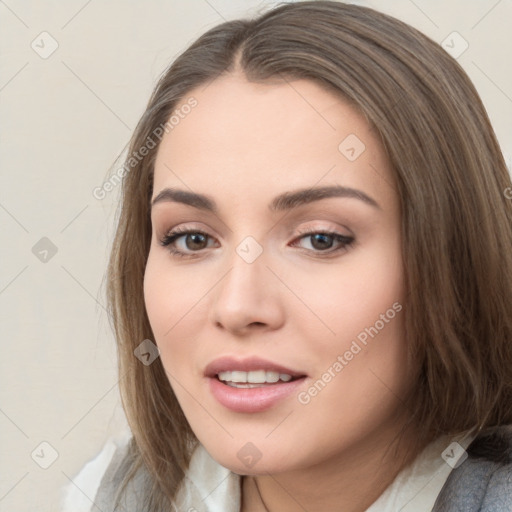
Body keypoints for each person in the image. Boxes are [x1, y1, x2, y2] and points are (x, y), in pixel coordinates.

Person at [61, 1, 512, 511]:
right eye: (191, 239)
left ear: (452, 260)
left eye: (321, 239)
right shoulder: (104, 493)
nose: (237, 306)